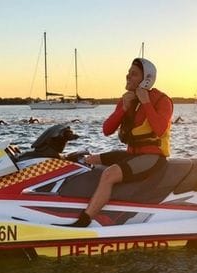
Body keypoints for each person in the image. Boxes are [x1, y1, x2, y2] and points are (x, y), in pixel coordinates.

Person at [69, 57, 173, 227]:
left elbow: (160, 129)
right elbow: (107, 130)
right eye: (128, 73)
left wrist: (146, 102)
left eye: (133, 74)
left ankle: (84, 221)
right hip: (131, 155)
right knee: (87, 160)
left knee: (109, 174)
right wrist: (124, 108)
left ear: (146, 79)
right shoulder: (127, 100)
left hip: (153, 158)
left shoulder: (162, 101)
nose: (128, 76)